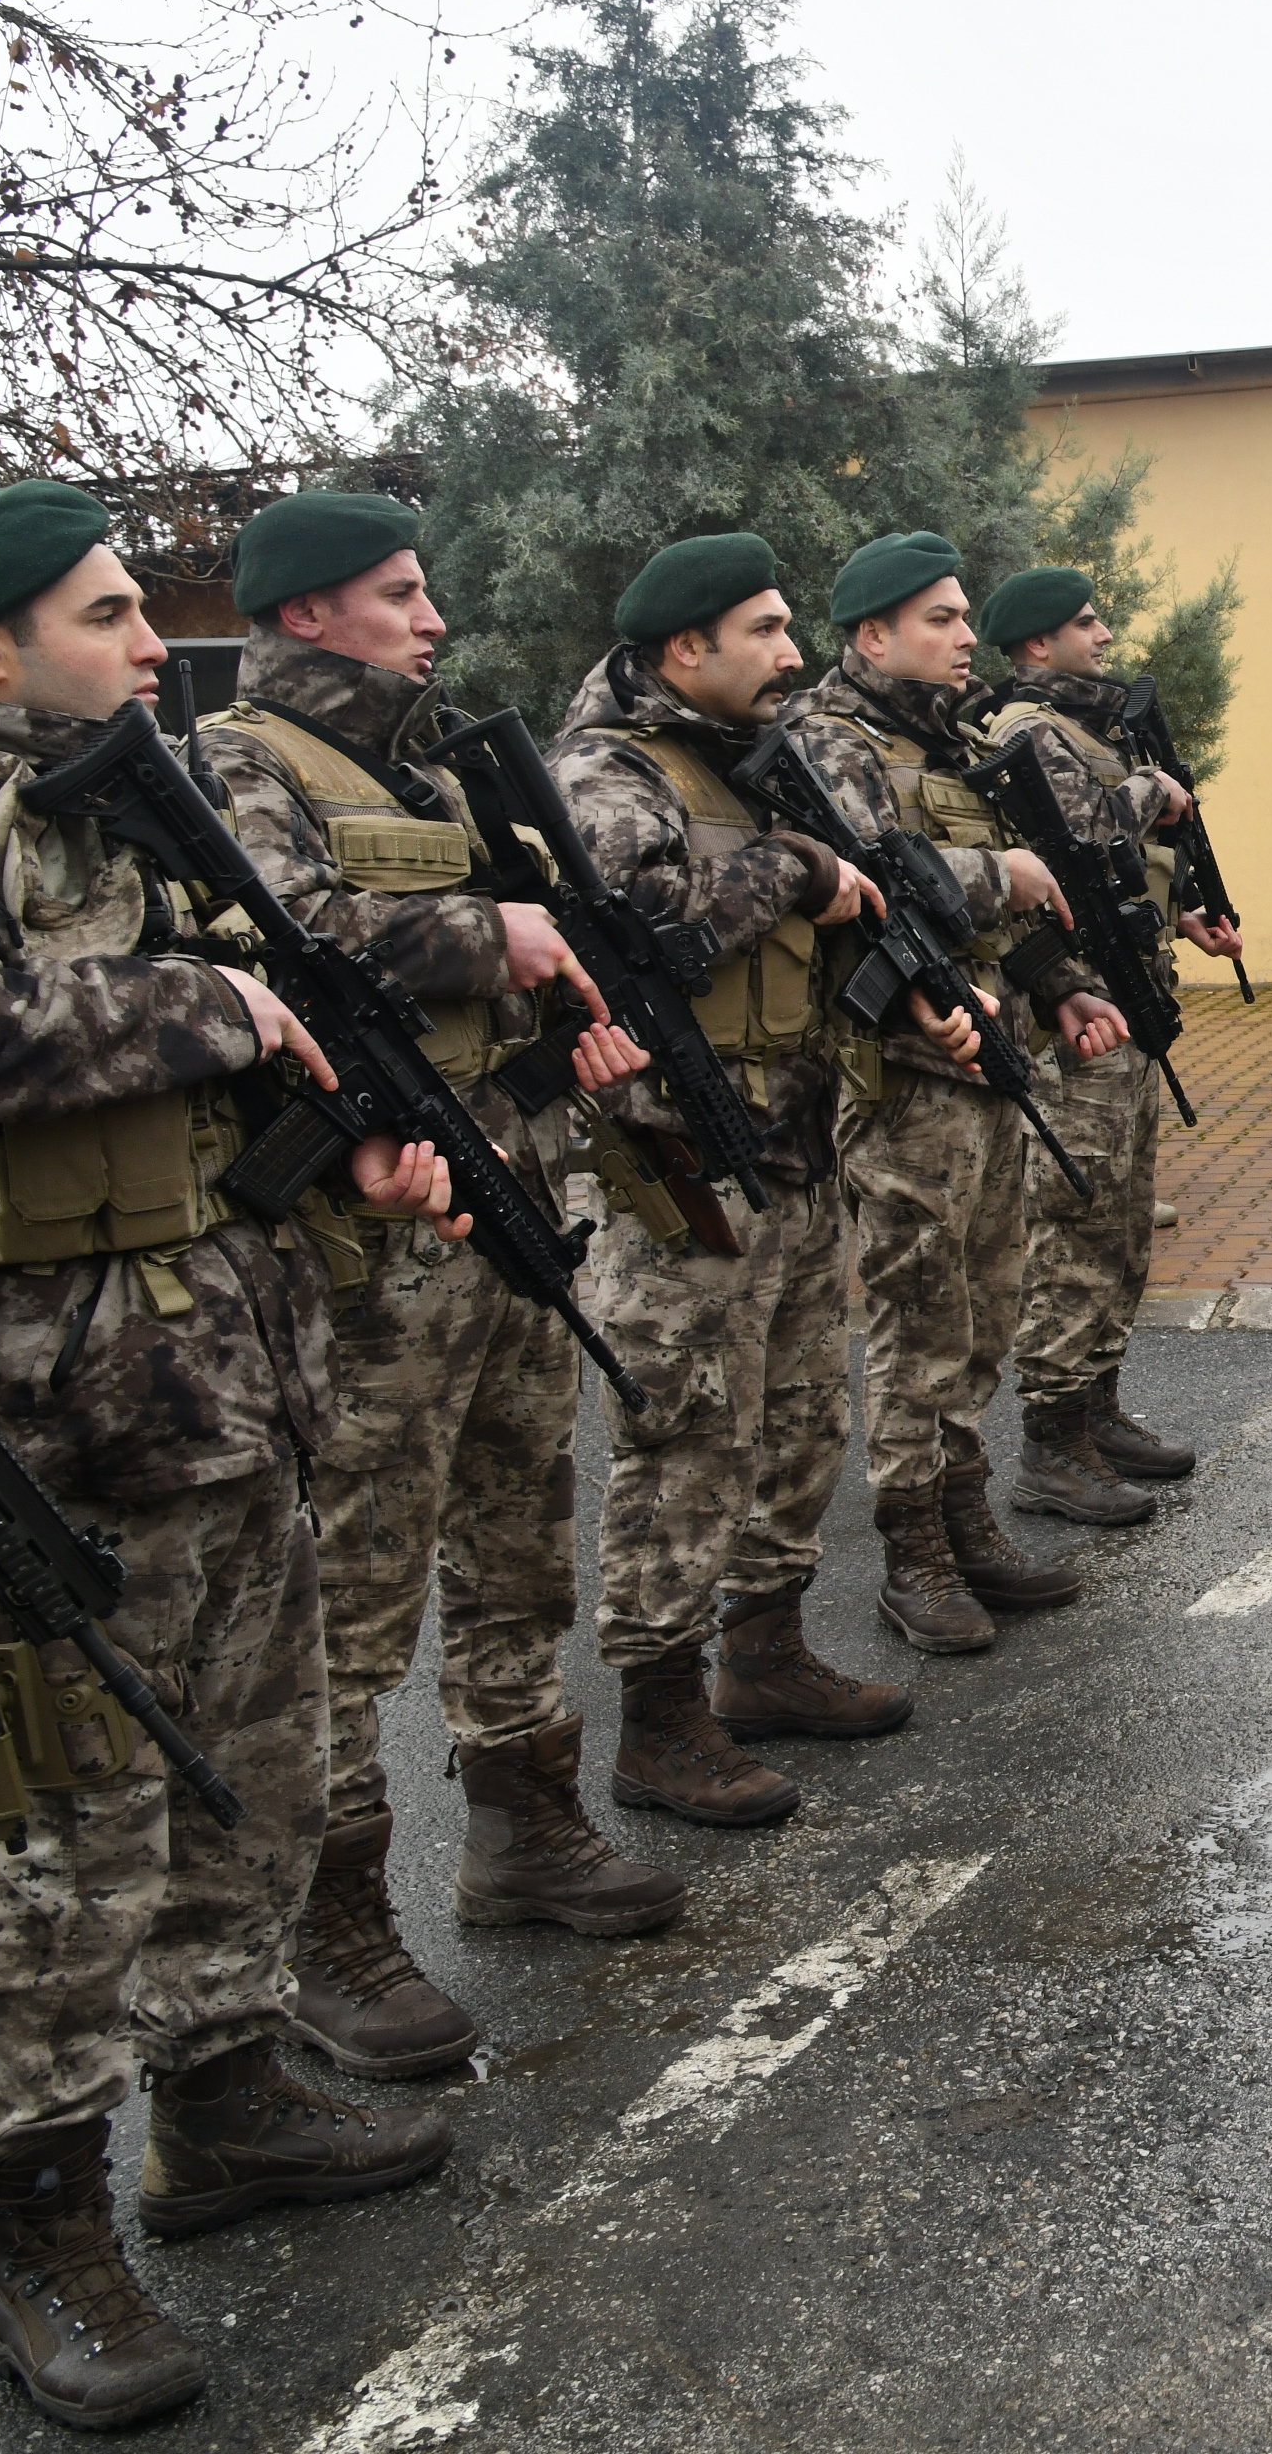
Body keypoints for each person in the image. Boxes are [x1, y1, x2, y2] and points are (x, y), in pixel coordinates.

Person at [0, 480, 461, 2427]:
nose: (145, 644)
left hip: (224, 1396)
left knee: (255, 1774)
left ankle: (225, 2095)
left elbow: (227, 1086)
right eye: (107, 615)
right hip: (34, 1439)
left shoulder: (117, 821)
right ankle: (40, 2229)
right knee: (69, 1853)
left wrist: (349, 1142)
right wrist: (211, 1002)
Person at [200, 493, 680, 2084]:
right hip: (376, 1257)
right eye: (400, 595)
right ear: (307, 615)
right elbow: (271, 941)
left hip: (515, 1204)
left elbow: (486, 991)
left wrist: (562, 1026)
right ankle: (330, 1923)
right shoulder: (241, 766)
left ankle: (526, 1820)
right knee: (354, 1595)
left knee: (519, 1534)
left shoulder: (436, 770)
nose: (432, 619)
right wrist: (495, 928)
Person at [556, 533, 936, 1829]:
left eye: (789, 628)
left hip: (798, 1149)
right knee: (686, 1440)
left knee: (798, 1420)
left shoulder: (752, 765)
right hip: (685, 1172)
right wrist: (796, 870)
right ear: (685, 650)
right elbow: (650, 923)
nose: (791, 653)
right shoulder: (609, 770)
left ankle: (762, 1659)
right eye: (766, 631)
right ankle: (660, 1728)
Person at [798, 532, 1125, 1649]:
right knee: (917, 1314)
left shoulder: (945, 745)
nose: (964, 635)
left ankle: (965, 1512)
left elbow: (999, 918)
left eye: (962, 615)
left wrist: (1065, 986)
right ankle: (916, 1552)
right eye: (939, 618)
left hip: (989, 1065)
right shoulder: (829, 744)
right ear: (872, 635)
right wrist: (1004, 873)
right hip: (906, 1081)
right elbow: (882, 887)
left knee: (983, 1310)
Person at [969, 567, 1238, 1515]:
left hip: (1126, 999)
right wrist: (1149, 791)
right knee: (1076, 1223)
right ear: (1036, 644)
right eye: (1086, 624)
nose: (1106, 635)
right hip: (1067, 1020)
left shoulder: (1091, 729)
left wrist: (1185, 919)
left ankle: (1098, 1409)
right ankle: (1051, 1440)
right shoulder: (1020, 732)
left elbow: (1113, 881)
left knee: (1123, 1220)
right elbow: (1071, 842)